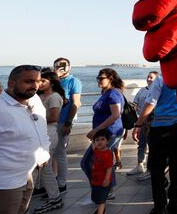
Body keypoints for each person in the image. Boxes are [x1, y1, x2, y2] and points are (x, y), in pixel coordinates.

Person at [0, 65, 50, 214]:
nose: (35, 86)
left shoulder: (32, 101)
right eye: (29, 81)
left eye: (38, 81)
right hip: (5, 182)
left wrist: (45, 153)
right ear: (11, 83)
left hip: (28, 174)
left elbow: (39, 132)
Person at [132, 73, 177, 214]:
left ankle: (159, 206)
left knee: (156, 168)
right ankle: (174, 204)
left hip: (160, 128)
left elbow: (151, 102)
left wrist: (138, 124)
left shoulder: (162, 79)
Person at [81, 68, 125, 202]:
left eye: (101, 78)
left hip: (109, 134)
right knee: (97, 162)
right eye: (98, 78)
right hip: (102, 134)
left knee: (90, 162)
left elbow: (116, 115)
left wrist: (95, 131)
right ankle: (103, 188)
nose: (98, 81)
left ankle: (105, 189)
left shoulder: (113, 94)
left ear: (110, 79)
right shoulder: (106, 93)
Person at [33, 69, 67, 213]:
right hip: (42, 133)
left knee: (45, 167)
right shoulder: (40, 96)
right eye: (39, 80)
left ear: (51, 82)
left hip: (50, 133)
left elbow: (54, 117)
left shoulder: (53, 97)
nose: (39, 84)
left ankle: (55, 197)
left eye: (43, 81)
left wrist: (32, 118)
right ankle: (43, 190)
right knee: (41, 167)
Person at [53, 57, 82, 194]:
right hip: (50, 121)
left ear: (69, 68)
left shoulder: (73, 81)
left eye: (64, 65)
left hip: (62, 121)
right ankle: (49, 182)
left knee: (60, 154)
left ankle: (62, 183)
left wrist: (68, 123)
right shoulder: (53, 81)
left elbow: (76, 103)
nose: (61, 68)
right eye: (57, 65)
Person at [127, 70, 158, 178]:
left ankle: (150, 169)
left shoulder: (158, 91)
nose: (149, 79)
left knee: (152, 146)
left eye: (151, 77)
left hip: (153, 122)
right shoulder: (141, 91)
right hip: (142, 121)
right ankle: (140, 165)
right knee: (141, 144)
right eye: (148, 77)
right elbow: (135, 103)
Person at [89, 129, 114, 214]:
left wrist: (107, 179)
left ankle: (101, 212)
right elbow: (93, 144)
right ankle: (101, 210)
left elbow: (109, 167)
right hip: (96, 181)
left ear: (107, 141)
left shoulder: (107, 154)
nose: (100, 142)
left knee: (101, 200)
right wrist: (92, 136)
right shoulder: (96, 150)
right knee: (97, 198)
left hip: (104, 181)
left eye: (103, 139)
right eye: (97, 140)